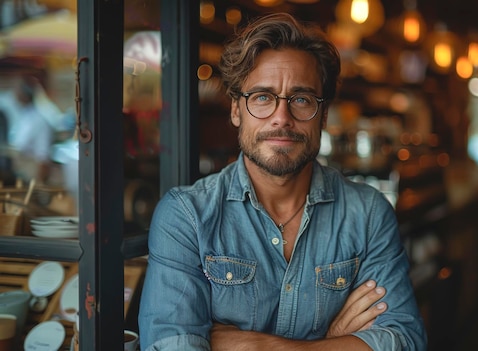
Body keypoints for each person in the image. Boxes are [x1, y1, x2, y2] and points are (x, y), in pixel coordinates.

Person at [138, 12, 426, 351]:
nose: (281, 117)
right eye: (262, 97)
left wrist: (258, 346)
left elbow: (403, 340)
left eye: (301, 99)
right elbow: (171, 345)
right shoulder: (186, 216)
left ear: (324, 115)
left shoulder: (367, 213)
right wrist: (332, 341)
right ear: (235, 110)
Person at [8, 77, 54, 183]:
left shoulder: (38, 119)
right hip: (21, 171)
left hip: (32, 172)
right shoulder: (24, 116)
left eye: (18, 90)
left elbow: (43, 155)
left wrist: (39, 182)